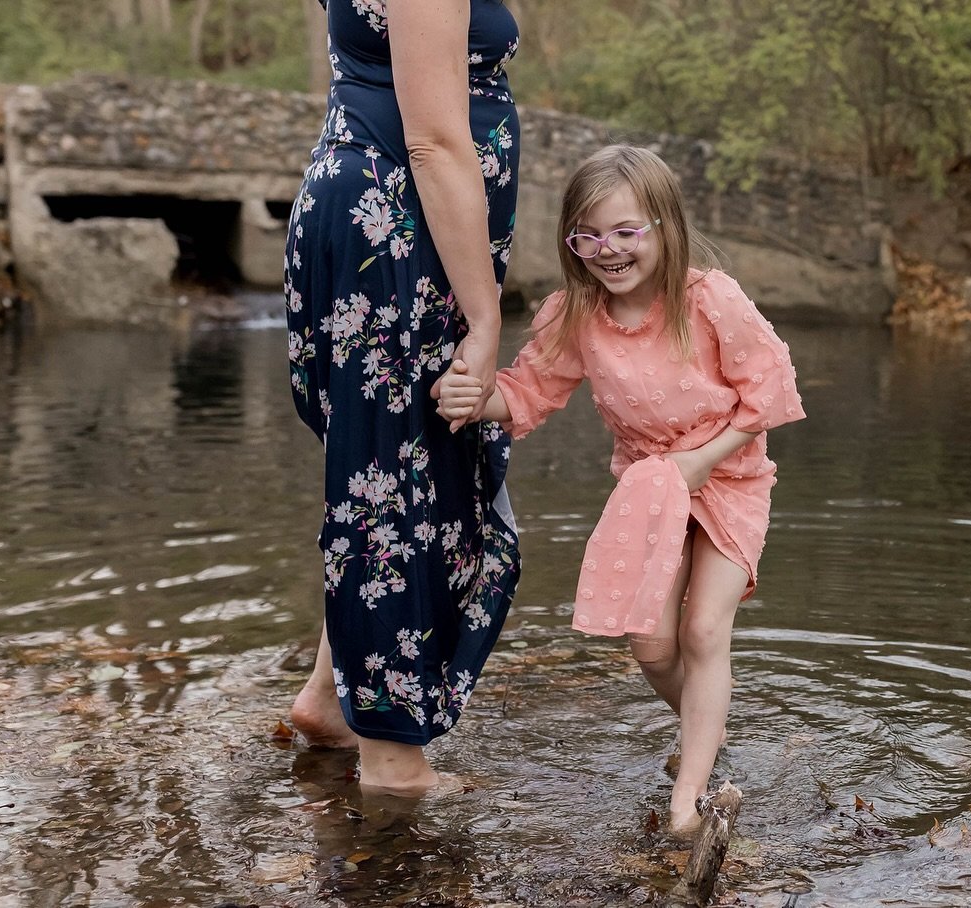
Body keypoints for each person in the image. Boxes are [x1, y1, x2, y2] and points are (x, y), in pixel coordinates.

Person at [434, 145, 805, 834]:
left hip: (730, 477)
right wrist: (471, 397)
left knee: (702, 629)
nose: (607, 251)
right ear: (571, 243)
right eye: (588, 236)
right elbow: (527, 393)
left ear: (664, 226)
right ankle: (707, 723)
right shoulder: (576, 315)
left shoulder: (709, 299)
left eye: (626, 232)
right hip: (647, 488)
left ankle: (687, 799)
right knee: (652, 647)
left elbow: (772, 393)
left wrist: (701, 461)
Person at [282, 0, 521, 795]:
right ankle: (391, 757)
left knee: (380, 468)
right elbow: (434, 137)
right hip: (396, 229)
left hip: (386, 217)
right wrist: (485, 317)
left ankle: (331, 698)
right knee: (396, 485)